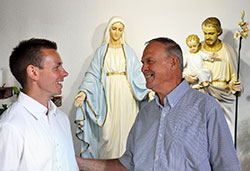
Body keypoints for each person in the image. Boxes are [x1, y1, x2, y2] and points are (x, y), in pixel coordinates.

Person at [76, 37, 241, 171]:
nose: (143, 68)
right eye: (142, 63)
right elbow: (126, 165)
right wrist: (78, 162)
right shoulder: (144, 115)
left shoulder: (206, 108)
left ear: (173, 63)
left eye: (149, 61)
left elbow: (228, 166)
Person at [74, 16, 150, 159]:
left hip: (127, 94)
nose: (116, 33)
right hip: (107, 95)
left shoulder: (128, 51)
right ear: (109, 30)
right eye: (114, 29)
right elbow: (92, 74)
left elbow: (137, 74)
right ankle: (107, 164)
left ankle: (126, 163)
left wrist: (148, 91)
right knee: (107, 135)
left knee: (127, 131)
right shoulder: (101, 51)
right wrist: (84, 92)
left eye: (120, 30)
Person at [0, 38, 79, 170]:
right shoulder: (11, 127)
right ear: (33, 72)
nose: (64, 73)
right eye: (56, 67)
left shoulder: (62, 119)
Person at [185, 17, 242, 140]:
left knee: (222, 133)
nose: (207, 36)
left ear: (219, 32)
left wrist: (233, 84)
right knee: (199, 134)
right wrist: (187, 79)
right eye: (205, 33)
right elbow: (185, 69)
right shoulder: (196, 49)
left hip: (221, 95)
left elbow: (234, 76)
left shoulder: (227, 50)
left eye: (211, 33)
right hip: (200, 93)